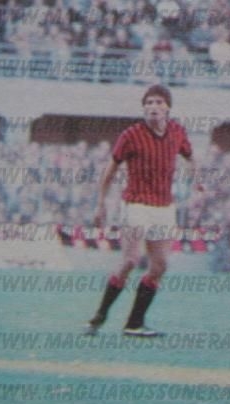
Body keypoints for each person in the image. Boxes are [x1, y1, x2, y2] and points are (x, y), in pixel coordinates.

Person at [84, 85, 192, 337]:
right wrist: (100, 203)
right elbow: (110, 170)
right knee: (131, 260)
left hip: (164, 207)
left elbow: (189, 155)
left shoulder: (177, 132)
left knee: (160, 266)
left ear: (168, 107)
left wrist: (196, 179)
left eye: (158, 102)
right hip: (136, 204)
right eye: (149, 102)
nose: (153, 106)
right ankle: (100, 314)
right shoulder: (131, 135)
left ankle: (134, 323)